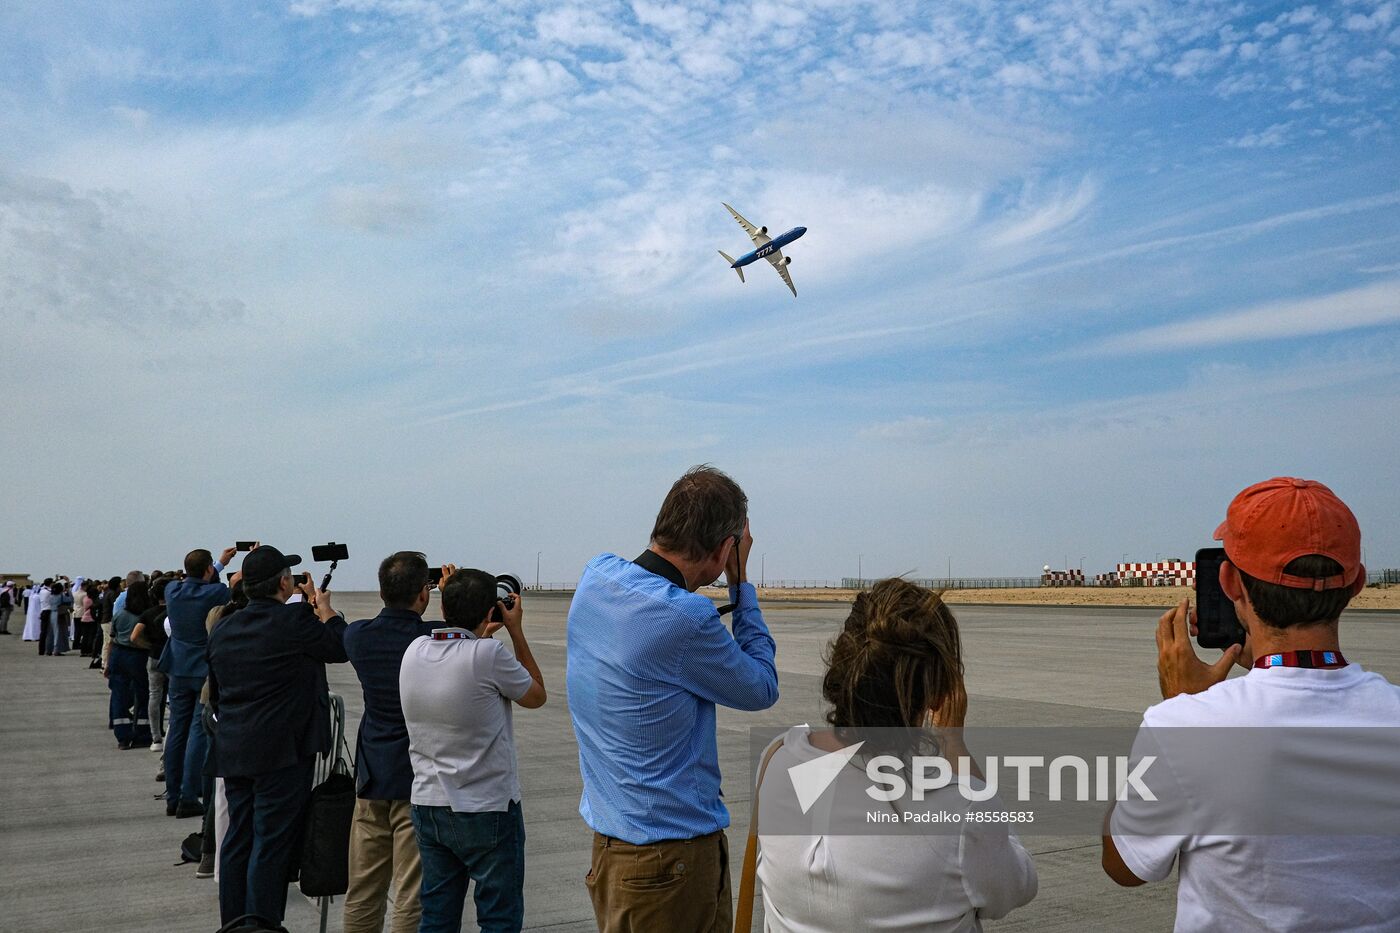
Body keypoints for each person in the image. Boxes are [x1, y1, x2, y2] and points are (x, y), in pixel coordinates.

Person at [1104, 477, 1400, 931]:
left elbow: (1124, 865)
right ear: (1357, 582)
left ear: (1229, 581)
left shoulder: (1188, 726)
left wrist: (1183, 707)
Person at [567, 465, 779, 932]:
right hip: (672, 863)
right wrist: (741, 584)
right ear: (725, 549)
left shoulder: (595, 578)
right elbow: (762, 686)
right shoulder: (686, 619)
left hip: (610, 851)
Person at [757, 579, 1037, 931]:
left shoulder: (777, 761)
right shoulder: (962, 811)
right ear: (937, 692)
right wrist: (954, 744)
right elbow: (1014, 887)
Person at [400, 566, 547, 933]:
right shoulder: (488, 654)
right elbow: (536, 695)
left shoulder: (415, 650)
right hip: (487, 808)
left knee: (437, 915)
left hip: (429, 804)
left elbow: (454, 644)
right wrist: (515, 630)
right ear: (490, 612)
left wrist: (476, 629)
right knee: (499, 917)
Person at [207, 545, 348, 927]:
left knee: (238, 838)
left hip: (234, 746)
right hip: (281, 752)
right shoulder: (294, 621)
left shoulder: (225, 625)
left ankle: (234, 923)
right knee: (271, 841)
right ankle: (262, 924)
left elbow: (217, 690)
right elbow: (339, 647)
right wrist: (327, 612)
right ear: (284, 583)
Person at [341, 552, 438, 933]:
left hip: (371, 777)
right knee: (410, 893)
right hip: (415, 778)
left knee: (363, 889)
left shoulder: (358, 635)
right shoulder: (431, 638)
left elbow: (336, 626)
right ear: (423, 593)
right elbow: (468, 630)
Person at [161, 547, 235, 819]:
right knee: (197, 731)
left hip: (177, 667)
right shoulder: (215, 593)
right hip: (202, 668)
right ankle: (189, 796)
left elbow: (198, 578)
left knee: (176, 730)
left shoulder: (172, 591)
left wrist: (219, 563)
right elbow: (227, 588)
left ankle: (173, 794)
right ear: (207, 571)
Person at [106, 579, 153, 749]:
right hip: (138, 655)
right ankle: (142, 731)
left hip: (118, 653)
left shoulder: (120, 614)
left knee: (119, 694)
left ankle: (122, 736)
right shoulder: (146, 615)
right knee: (142, 693)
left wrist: (107, 663)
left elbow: (112, 640)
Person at [132, 575, 173, 755]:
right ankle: (173, 731)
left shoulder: (148, 613)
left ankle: (155, 737)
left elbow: (134, 637)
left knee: (154, 696)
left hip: (154, 657)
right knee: (174, 696)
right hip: (172, 657)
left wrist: (147, 646)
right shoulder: (174, 612)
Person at [21, 578, 44, 642]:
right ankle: (36, 636)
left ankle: (27, 636)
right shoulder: (38, 596)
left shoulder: (31, 595)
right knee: (36, 625)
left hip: (30, 613)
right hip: (37, 612)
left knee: (29, 625)